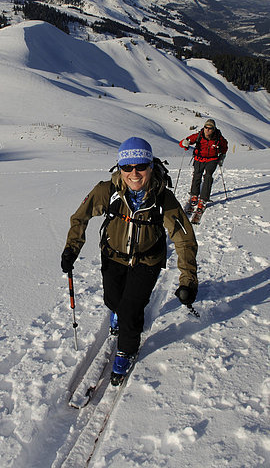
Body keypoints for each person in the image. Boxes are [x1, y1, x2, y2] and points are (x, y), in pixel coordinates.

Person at [61, 137, 198, 386]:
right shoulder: (107, 191)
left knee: (131, 311)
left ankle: (126, 351)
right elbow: (80, 217)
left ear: (150, 166)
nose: (134, 173)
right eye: (127, 167)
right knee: (113, 301)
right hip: (113, 255)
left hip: (147, 261)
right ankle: (118, 314)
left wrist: (188, 279)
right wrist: (72, 248)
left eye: (140, 166)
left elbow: (184, 238)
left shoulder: (163, 199)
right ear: (119, 168)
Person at [180, 118, 228, 211]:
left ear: (213, 129)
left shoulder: (219, 138)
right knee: (197, 175)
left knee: (208, 177)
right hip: (199, 158)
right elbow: (183, 143)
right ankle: (194, 195)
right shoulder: (199, 136)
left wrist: (222, 156)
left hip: (212, 159)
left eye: (210, 128)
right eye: (206, 127)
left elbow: (225, 146)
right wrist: (184, 143)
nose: (207, 130)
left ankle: (203, 199)